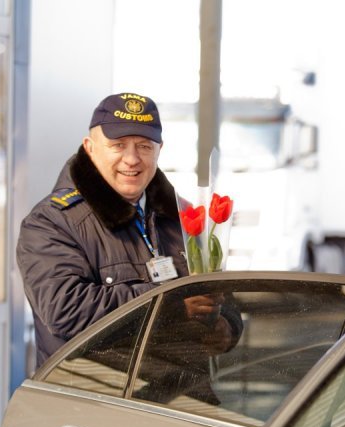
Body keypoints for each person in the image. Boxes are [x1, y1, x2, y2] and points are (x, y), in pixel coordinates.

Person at [17, 92, 238, 369]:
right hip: (97, 403)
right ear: (90, 148)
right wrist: (172, 303)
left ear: (160, 150)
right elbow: (66, 310)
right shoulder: (51, 222)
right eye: (118, 145)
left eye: (144, 146)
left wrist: (227, 327)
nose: (132, 159)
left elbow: (222, 295)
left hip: (184, 401)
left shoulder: (182, 217)